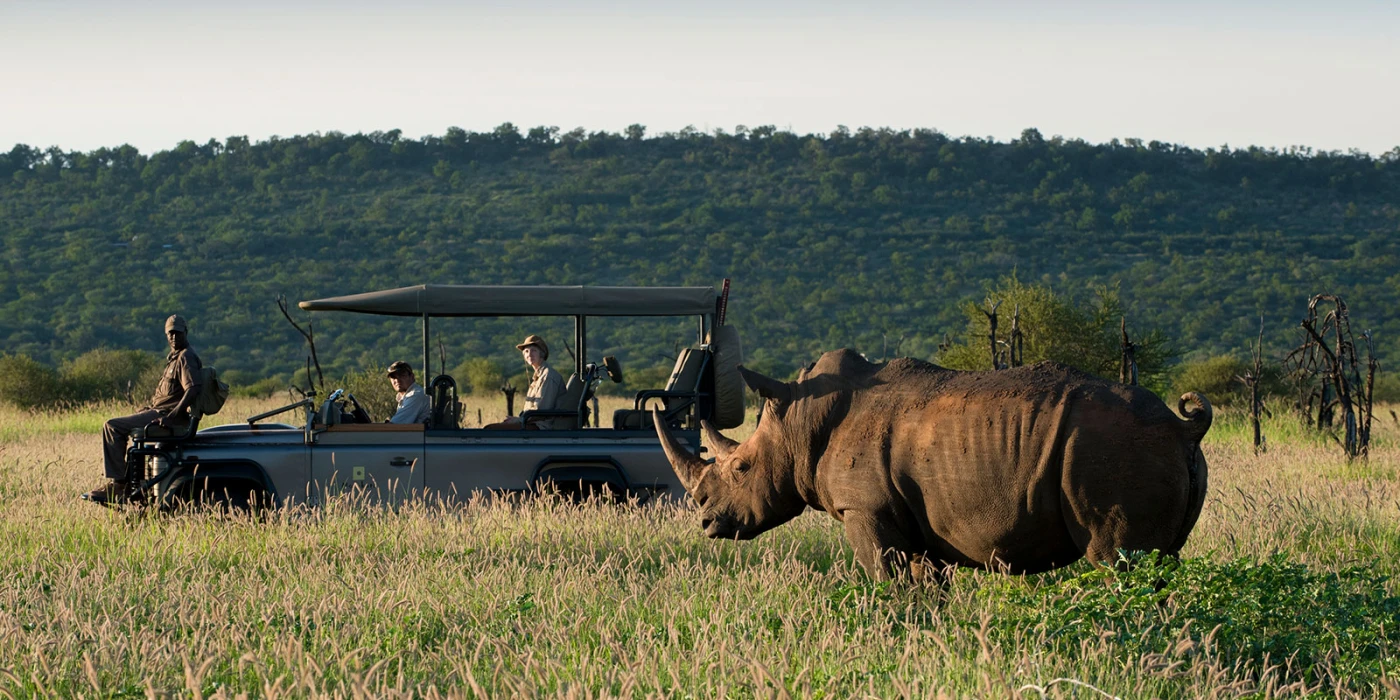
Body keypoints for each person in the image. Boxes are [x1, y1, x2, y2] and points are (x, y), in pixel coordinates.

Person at [85, 314, 203, 504]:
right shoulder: (175, 358)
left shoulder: (186, 357)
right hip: (159, 411)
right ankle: (134, 483)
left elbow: (193, 389)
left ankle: (119, 485)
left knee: (112, 426)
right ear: (166, 335)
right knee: (127, 435)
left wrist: (172, 416)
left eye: (177, 333)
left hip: (166, 416)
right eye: (170, 333)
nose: (174, 337)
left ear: (185, 333)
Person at [487, 334, 565, 430]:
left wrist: (519, 420)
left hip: (542, 427)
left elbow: (541, 411)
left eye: (534, 350)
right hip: (532, 423)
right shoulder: (538, 376)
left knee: (490, 430)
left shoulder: (548, 376)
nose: (529, 354)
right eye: (526, 351)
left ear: (542, 353)